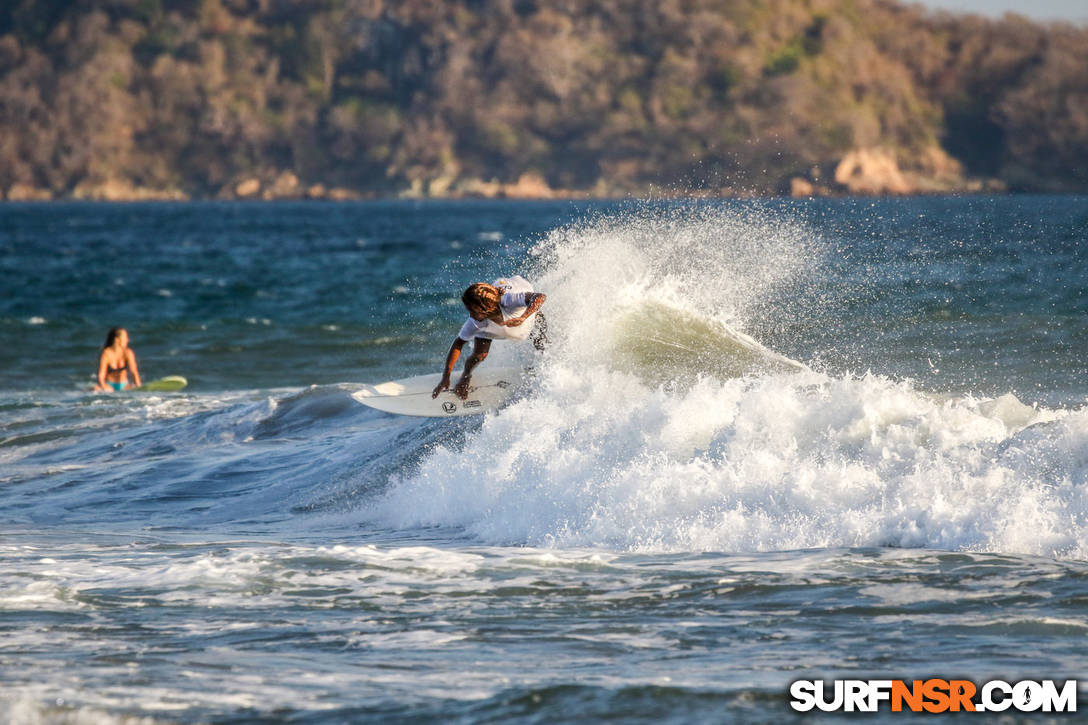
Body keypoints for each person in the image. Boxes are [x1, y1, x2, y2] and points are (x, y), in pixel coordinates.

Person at [432, 276, 546, 400]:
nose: (470, 314)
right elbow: (458, 343)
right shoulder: (476, 321)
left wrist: (524, 317)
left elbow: (540, 297)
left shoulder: (509, 301)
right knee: (479, 355)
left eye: (471, 310)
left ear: (482, 310)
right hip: (492, 303)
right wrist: (446, 376)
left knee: (539, 332)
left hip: (516, 287)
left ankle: (544, 365)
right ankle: (466, 376)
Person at [95, 327, 141, 392]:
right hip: (109, 385)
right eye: (125, 337)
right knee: (95, 389)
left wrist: (139, 388)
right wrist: (103, 386)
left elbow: (134, 372)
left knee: (134, 387)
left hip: (124, 385)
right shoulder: (106, 353)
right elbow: (101, 375)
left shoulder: (128, 353)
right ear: (117, 339)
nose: (128, 340)